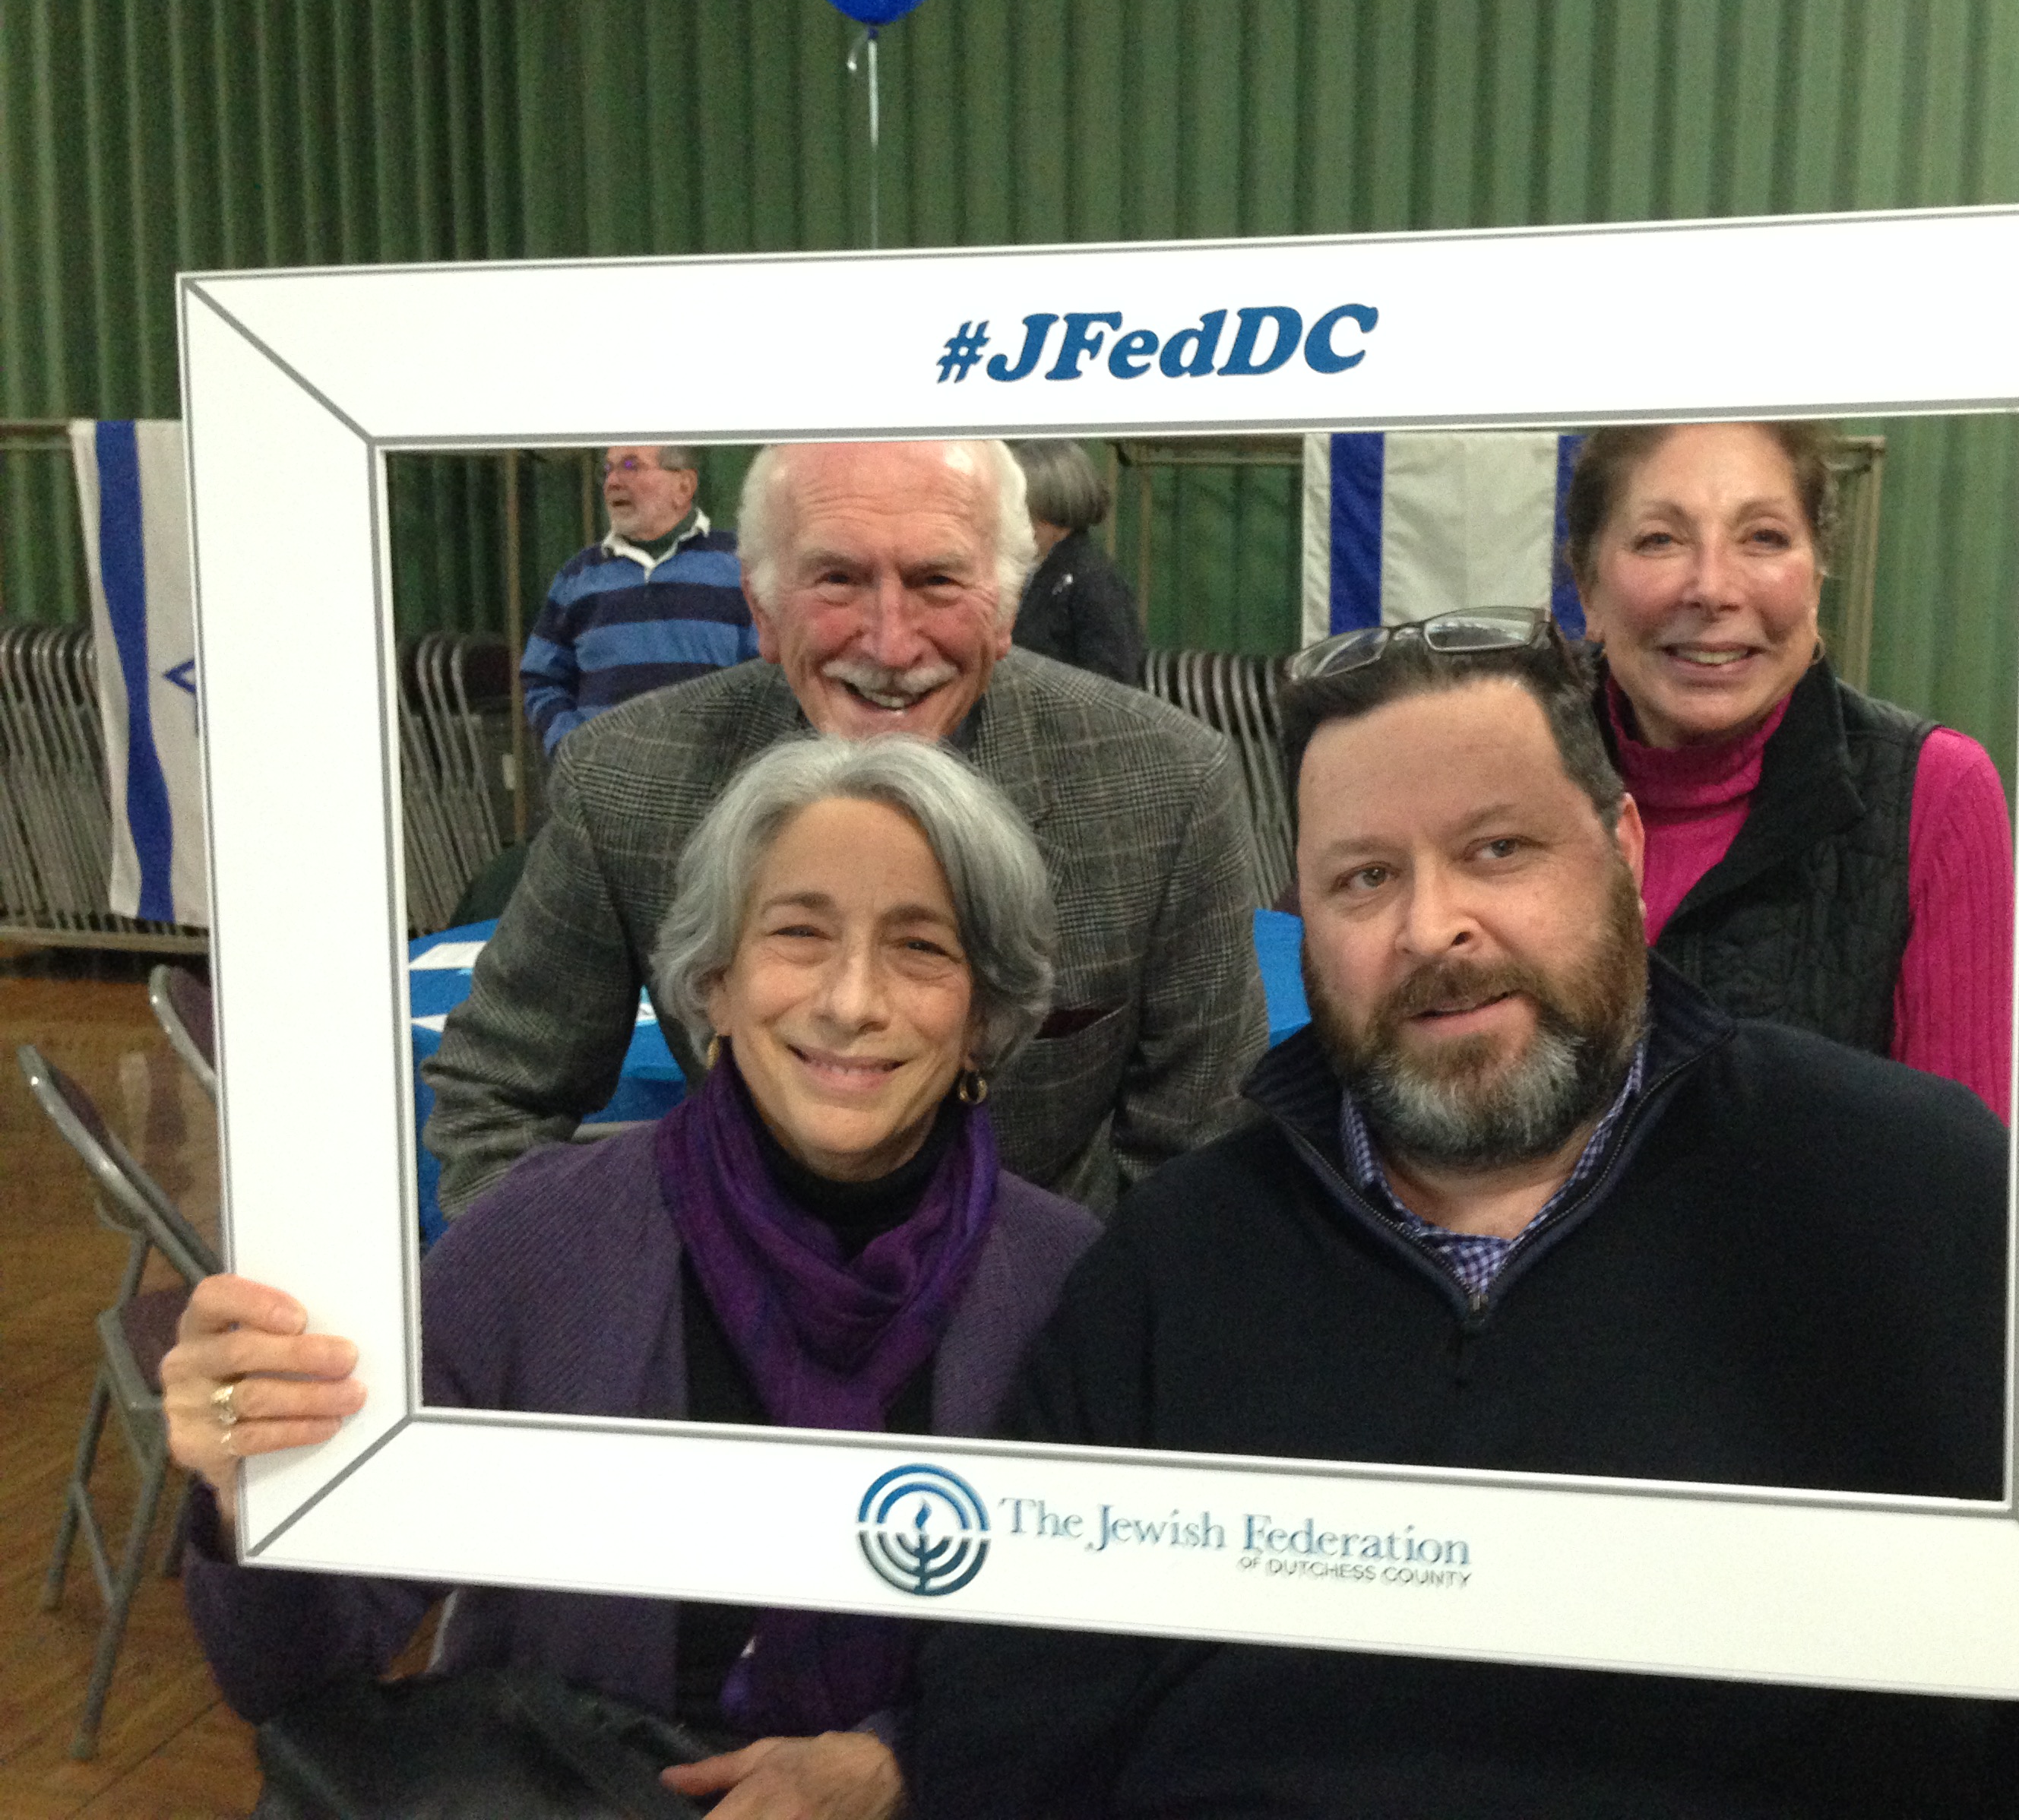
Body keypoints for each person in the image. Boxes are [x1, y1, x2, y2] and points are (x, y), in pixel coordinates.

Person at [905, 616, 2019, 1818]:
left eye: (1497, 849)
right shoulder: (1179, 1260)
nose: (1431, 927)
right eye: (1364, 877)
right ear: (1301, 922)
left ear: (1625, 853)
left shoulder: (1906, 1186)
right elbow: (1002, 1727)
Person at [165, 735, 1101, 1818]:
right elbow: (290, 1675)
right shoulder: (539, 1243)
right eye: (798, 933)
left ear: (983, 1015)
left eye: (921, 947)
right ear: (714, 983)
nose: (852, 1001)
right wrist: (250, 1491)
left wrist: (901, 1764)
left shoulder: (1068, 1284)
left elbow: (1095, 1664)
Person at [424, 438, 1264, 1221]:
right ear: (761, 607)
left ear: (1007, 607)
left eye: (937, 580)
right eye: (837, 579)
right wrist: (584, 1300)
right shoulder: (627, 777)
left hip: (1046, 1304)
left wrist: (1096, 1321)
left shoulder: (1166, 784)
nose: (891, 645)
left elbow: (1201, 1157)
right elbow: (497, 1092)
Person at [1568, 420, 2015, 1116]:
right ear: (1588, 589)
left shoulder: (1935, 793)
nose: (1712, 588)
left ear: (1817, 577)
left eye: (1764, 538)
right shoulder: (1506, 777)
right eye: (1660, 539)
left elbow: (1962, 1168)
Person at [521, 445, 758, 752]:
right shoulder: (578, 577)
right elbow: (541, 678)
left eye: (631, 466)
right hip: (605, 774)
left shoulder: (741, 566)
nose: (612, 482)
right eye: (607, 470)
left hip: (716, 772)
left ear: (683, 486)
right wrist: (570, 747)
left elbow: (770, 676)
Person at [1002, 439, 1145, 684]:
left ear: (1048, 506)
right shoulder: (1032, 569)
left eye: (1020, 506)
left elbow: (1112, 683)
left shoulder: (1094, 581)